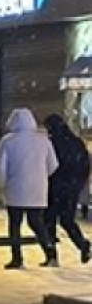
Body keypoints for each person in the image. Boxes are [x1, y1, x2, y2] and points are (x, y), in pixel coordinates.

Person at [0, 107, 58, 269]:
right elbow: (53, 165)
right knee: (36, 222)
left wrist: (3, 183)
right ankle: (50, 252)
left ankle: (17, 258)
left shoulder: (8, 141)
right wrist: (41, 177)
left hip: (15, 189)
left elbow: (1, 167)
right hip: (37, 190)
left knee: (15, 225)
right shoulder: (43, 140)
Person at [43, 113, 92, 264]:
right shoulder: (76, 142)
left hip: (56, 187)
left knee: (49, 219)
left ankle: (52, 255)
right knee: (67, 220)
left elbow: (50, 165)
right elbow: (85, 165)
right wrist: (78, 183)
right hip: (71, 188)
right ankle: (83, 245)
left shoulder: (52, 143)